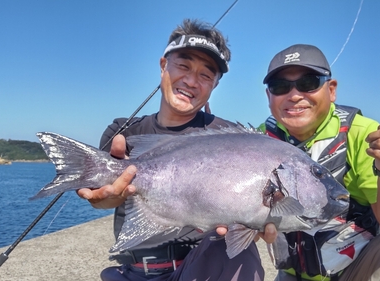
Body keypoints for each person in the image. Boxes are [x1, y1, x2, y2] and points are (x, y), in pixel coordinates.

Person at [77, 18, 269, 281]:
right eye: (183, 65)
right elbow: (102, 198)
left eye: (205, 74)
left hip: (202, 267)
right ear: (163, 66)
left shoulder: (230, 138)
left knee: (241, 256)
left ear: (215, 84)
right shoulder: (124, 133)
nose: (191, 81)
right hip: (135, 271)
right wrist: (106, 198)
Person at [259, 43, 380, 281]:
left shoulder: (365, 135)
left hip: (355, 269)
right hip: (293, 273)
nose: (294, 95)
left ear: (331, 90)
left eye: (308, 83)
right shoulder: (256, 141)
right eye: (280, 86)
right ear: (269, 95)